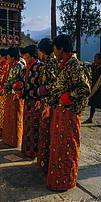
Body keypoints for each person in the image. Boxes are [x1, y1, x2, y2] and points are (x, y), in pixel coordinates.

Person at [47, 34, 90, 191]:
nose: (53, 52)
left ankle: (66, 180)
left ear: (61, 49)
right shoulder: (64, 64)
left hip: (70, 113)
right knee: (58, 147)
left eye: (55, 49)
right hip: (61, 112)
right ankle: (57, 179)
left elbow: (85, 89)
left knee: (67, 148)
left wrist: (66, 98)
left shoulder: (74, 65)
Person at [36, 38, 59, 174]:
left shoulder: (50, 63)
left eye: (39, 51)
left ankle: (46, 163)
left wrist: (42, 92)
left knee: (46, 132)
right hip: (47, 102)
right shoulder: (49, 63)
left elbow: (55, 84)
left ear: (43, 51)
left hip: (49, 103)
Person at [20, 45, 44, 157]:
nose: (24, 57)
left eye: (26, 55)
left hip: (36, 101)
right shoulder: (27, 68)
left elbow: (43, 85)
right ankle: (26, 149)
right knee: (27, 124)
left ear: (32, 55)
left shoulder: (40, 67)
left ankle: (34, 151)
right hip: (27, 101)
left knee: (35, 126)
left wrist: (40, 99)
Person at [2, 47, 25, 148]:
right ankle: (9, 139)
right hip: (9, 94)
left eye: (8, 55)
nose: (7, 57)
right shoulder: (11, 66)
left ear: (12, 56)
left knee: (16, 118)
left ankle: (16, 140)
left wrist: (17, 88)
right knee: (9, 117)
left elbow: (23, 80)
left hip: (16, 95)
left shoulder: (20, 66)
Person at [84, 53, 101, 127]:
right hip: (94, 90)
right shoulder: (94, 67)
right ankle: (90, 118)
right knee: (92, 105)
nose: (94, 60)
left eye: (96, 58)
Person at [0, 49, 9, 135]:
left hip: (4, 89)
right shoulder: (0, 66)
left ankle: (3, 128)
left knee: (3, 110)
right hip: (0, 88)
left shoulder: (7, 65)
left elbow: (5, 78)